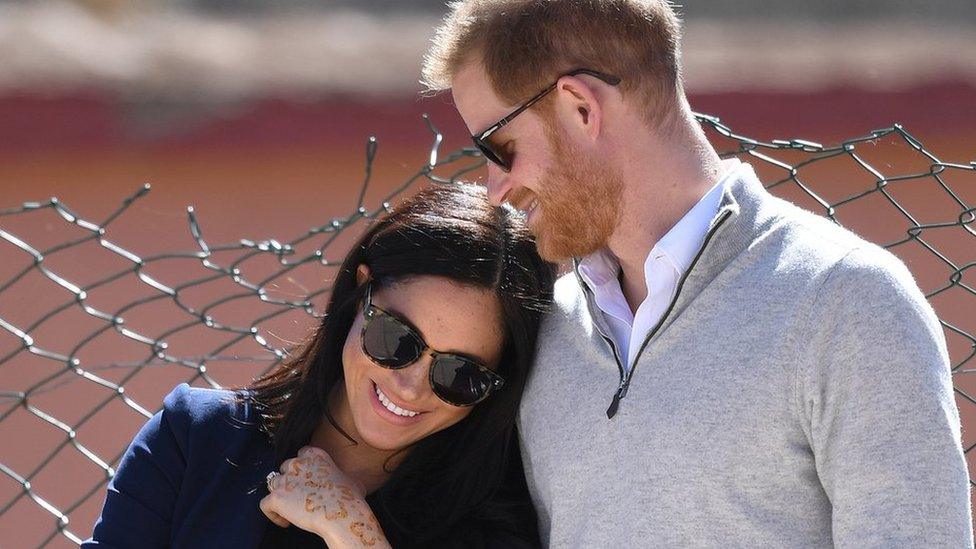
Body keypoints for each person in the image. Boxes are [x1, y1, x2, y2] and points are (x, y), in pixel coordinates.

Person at [422, 1, 973, 546]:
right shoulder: (550, 324)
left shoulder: (848, 302)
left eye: (499, 147)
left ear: (579, 108)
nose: (495, 189)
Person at [83, 184, 555, 548]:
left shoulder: (496, 524)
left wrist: (354, 533)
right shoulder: (196, 439)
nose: (411, 387)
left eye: (460, 375)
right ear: (359, 294)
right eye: (396, 340)